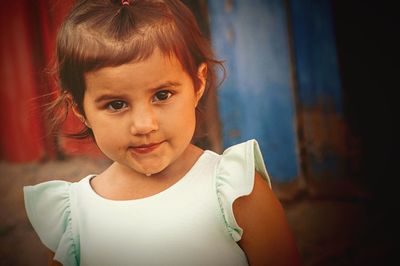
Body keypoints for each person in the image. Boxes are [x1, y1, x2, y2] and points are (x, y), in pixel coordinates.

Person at [23, 0, 301, 265]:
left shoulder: (233, 189)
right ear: (79, 109)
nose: (144, 125)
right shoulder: (72, 219)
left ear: (198, 83)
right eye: (116, 104)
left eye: (162, 95)